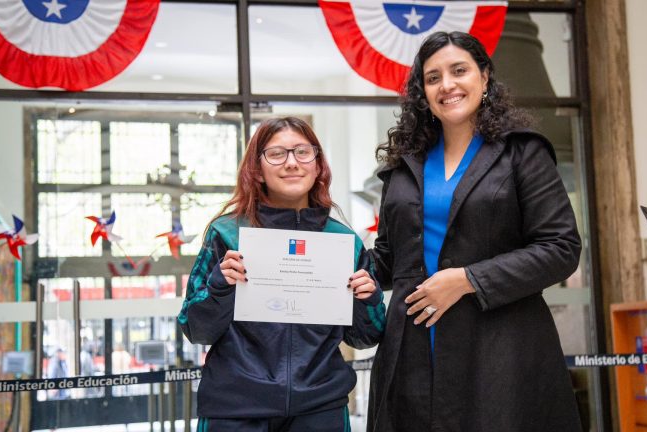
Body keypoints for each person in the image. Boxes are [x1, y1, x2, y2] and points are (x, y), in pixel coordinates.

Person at [367, 31, 583, 431]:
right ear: (423, 92)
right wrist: (328, 262)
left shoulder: (523, 152)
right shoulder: (404, 164)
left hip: (498, 351)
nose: (447, 85)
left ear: (484, 77)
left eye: (459, 71)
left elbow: (561, 248)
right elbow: (386, 258)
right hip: (412, 351)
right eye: (433, 78)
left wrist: (468, 279)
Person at [178, 117, 386, 432]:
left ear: (318, 165)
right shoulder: (227, 233)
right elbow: (196, 330)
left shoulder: (343, 240)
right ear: (257, 170)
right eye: (276, 154)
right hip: (236, 408)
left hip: (319, 408)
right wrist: (219, 289)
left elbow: (365, 337)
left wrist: (367, 299)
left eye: (303, 152)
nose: (291, 163)